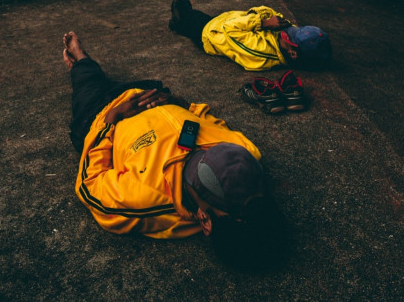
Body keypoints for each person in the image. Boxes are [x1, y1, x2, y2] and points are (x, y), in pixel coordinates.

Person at [63, 31, 287, 260]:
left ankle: (80, 60)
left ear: (204, 220)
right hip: (152, 93)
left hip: (100, 112)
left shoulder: (145, 198)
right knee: (105, 78)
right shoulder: (247, 156)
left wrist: (112, 118)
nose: (211, 153)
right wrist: (180, 103)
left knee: (87, 81)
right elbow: (212, 121)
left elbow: (90, 183)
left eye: (206, 173)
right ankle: (84, 66)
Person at [168, 0, 331, 72]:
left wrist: (264, 23)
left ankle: (177, 22)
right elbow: (265, 11)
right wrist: (272, 20)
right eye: (295, 29)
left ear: (293, 53)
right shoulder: (288, 39)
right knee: (194, 14)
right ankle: (181, 15)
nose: (288, 30)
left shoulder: (262, 54)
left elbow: (229, 30)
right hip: (221, 20)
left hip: (209, 36)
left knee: (188, 20)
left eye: (290, 35)